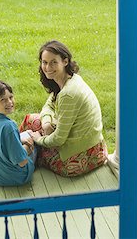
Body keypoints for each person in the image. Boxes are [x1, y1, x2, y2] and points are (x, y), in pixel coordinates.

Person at [20, 40, 108, 177]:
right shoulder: (70, 79)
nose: (48, 67)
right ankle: (19, 155)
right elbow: (49, 105)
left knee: (31, 137)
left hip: (78, 159)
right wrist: (47, 123)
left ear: (65, 61)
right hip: (95, 149)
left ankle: (15, 163)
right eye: (44, 62)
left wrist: (38, 139)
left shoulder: (68, 94)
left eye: (54, 62)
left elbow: (59, 140)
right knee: (31, 120)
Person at [0, 79, 35, 186]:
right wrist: (30, 145)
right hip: (13, 178)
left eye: (10, 97)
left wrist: (20, 140)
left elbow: (2, 142)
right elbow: (22, 162)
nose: (10, 102)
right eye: (3, 100)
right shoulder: (8, 126)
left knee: (25, 134)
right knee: (34, 140)